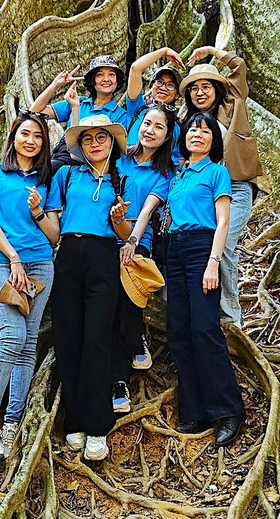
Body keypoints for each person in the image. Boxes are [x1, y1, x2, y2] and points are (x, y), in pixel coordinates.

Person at [0, 110, 60, 460]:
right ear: (14, 137)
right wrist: (13, 258)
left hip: (41, 263)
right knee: (12, 335)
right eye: (25, 133)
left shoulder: (47, 181)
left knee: (28, 344)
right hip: (5, 264)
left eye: (38, 136)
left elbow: (53, 235)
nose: (31, 140)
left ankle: (13, 422)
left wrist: (39, 212)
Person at [44, 114, 131, 461]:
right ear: (81, 146)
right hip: (68, 257)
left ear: (112, 142)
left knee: (97, 338)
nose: (95, 144)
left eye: (102, 138)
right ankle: (74, 422)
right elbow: (54, 224)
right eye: (89, 139)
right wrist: (38, 213)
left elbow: (126, 235)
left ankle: (98, 426)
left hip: (103, 257)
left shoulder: (123, 180)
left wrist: (119, 221)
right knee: (68, 337)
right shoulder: (66, 175)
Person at [166, 112, 245, 447]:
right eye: (192, 129)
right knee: (180, 331)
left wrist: (213, 262)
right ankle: (193, 411)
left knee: (204, 329)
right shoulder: (179, 175)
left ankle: (227, 411)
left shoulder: (217, 172)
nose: (197, 134)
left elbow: (223, 221)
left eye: (204, 130)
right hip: (175, 249)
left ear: (214, 139)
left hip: (202, 248)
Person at [180, 46, 263, 325]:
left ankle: (231, 318)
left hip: (237, 188)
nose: (200, 92)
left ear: (217, 89)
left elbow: (239, 67)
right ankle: (204, 313)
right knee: (202, 247)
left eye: (206, 86)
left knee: (224, 245)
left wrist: (210, 51)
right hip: (204, 195)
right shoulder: (189, 124)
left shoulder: (233, 104)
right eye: (194, 89)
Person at [111, 104, 177, 413]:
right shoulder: (120, 158)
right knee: (108, 311)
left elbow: (149, 210)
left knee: (126, 303)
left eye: (159, 127)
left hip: (138, 240)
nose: (150, 130)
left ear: (167, 137)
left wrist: (132, 242)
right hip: (105, 238)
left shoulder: (163, 174)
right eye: (147, 123)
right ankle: (116, 378)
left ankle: (121, 378)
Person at [31, 56, 132, 172]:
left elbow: (113, 151)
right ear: (92, 80)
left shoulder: (120, 115)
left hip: (86, 162)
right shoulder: (79, 102)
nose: (106, 79)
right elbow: (34, 112)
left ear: (117, 80)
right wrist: (56, 84)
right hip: (59, 153)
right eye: (100, 75)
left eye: (111, 74)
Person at [124, 47, 184, 164]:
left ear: (177, 95)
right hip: (125, 169)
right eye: (159, 82)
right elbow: (135, 68)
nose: (163, 87)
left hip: (155, 178)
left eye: (170, 85)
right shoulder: (138, 107)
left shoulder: (176, 126)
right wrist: (164, 51)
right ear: (151, 86)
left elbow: (179, 158)